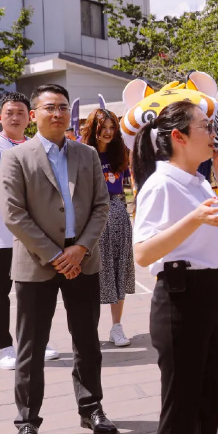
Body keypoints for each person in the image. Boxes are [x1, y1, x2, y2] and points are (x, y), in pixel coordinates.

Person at [0, 84, 116, 434]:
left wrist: (80, 249)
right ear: (33, 115)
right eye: (50, 108)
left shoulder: (86, 154)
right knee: (31, 346)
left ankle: (91, 408)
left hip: (83, 259)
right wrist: (55, 255)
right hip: (37, 263)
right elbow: (13, 214)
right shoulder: (18, 157)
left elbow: (102, 206)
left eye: (64, 107)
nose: (58, 114)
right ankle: (28, 421)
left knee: (87, 341)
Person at [131, 101, 218, 434]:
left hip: (210, 290)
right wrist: (194, 219)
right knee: (179, 412)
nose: (213, 135)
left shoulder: (198, 180)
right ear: (179, 137)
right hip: (179, 297)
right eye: (206, 128)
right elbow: (143, 253)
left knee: (206, 407)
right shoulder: (160, 184)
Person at [0, 93, 59, 370]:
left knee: (33, 293)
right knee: (0, 294)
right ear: (0, 117)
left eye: (20, 112)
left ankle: (34, 341)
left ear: (30, 117)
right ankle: (3, 347)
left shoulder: (35, 146)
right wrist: (9, 196)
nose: (15, 117)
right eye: (10, 113)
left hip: (32, 235)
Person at [80, 109, 135, 347]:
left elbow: (129, 184)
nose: (109, 132)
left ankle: (116, 327)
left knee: (119, 269)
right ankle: (88, 328)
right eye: (104, 128)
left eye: (113, 128)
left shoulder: (119, 153)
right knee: (93, 273)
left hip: (119, 213)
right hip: (93, 217)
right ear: (94, 129)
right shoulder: (82, 154)